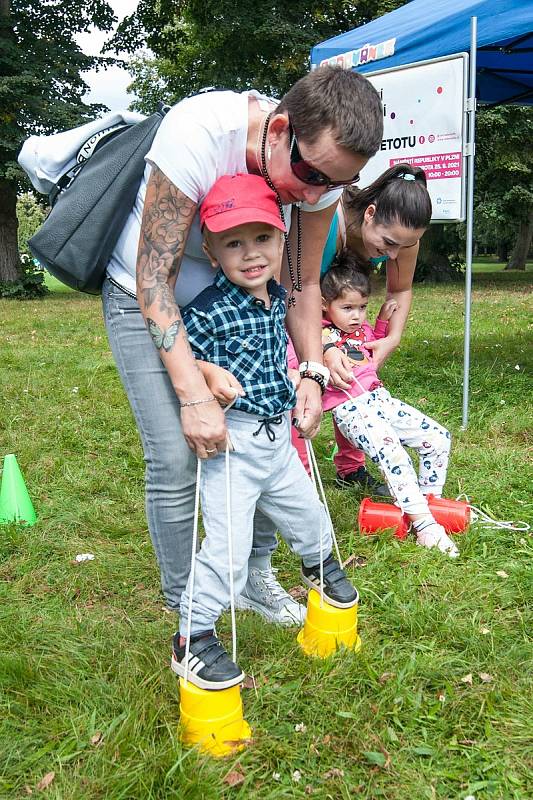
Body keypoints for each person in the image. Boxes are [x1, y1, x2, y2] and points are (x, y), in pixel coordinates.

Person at [101, 66, 383, 631]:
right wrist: (194, 394)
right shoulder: (200, 133)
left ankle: (255, 578)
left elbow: (303, 283)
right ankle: (187, 611)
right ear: (278, 129)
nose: (310, 194)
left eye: (332, 185)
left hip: (246, 300)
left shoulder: (316, 179)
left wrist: (308, 372)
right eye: (309, 175)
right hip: (148, 294)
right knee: (180, 455)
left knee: (267, 443)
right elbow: (155, 283)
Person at [171, 174, 358, 689]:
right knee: (227, 554)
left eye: (262, 239)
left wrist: (310, 369)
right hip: (233, 447)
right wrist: (208, 375)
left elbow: (295, 341)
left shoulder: (279, 298)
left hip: (279, 442)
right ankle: (193, 634)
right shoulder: (206, 310)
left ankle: (321, 567)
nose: (250, 254)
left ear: (281, 242)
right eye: (234, 243)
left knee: (311, 518)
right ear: (211, 251)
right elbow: (180, 358)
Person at [320, 252, 459, 558]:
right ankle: (424, 525)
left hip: (380, 398)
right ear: (323, 304)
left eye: (361, 307)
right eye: (347, 308)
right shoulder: (318, 333)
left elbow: (374, 344)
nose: (356, 315)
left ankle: (427, 503)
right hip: (350, 407)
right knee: (393, 452)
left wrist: (381, 320)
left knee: (438, 438)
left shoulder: (359, 329)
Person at [318, 164, 432, 495]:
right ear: (370, 214)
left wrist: (390, 339)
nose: (394, 254)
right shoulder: (328, 220)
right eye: (389, 243)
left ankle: (350, 468)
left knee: (355, 390)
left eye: (404, 247)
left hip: (345, 320)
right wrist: (323, 347)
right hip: (305, 309)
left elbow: (400, 290)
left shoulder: (405, 237)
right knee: (304, 389)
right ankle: (294, 470)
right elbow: (303, 288)